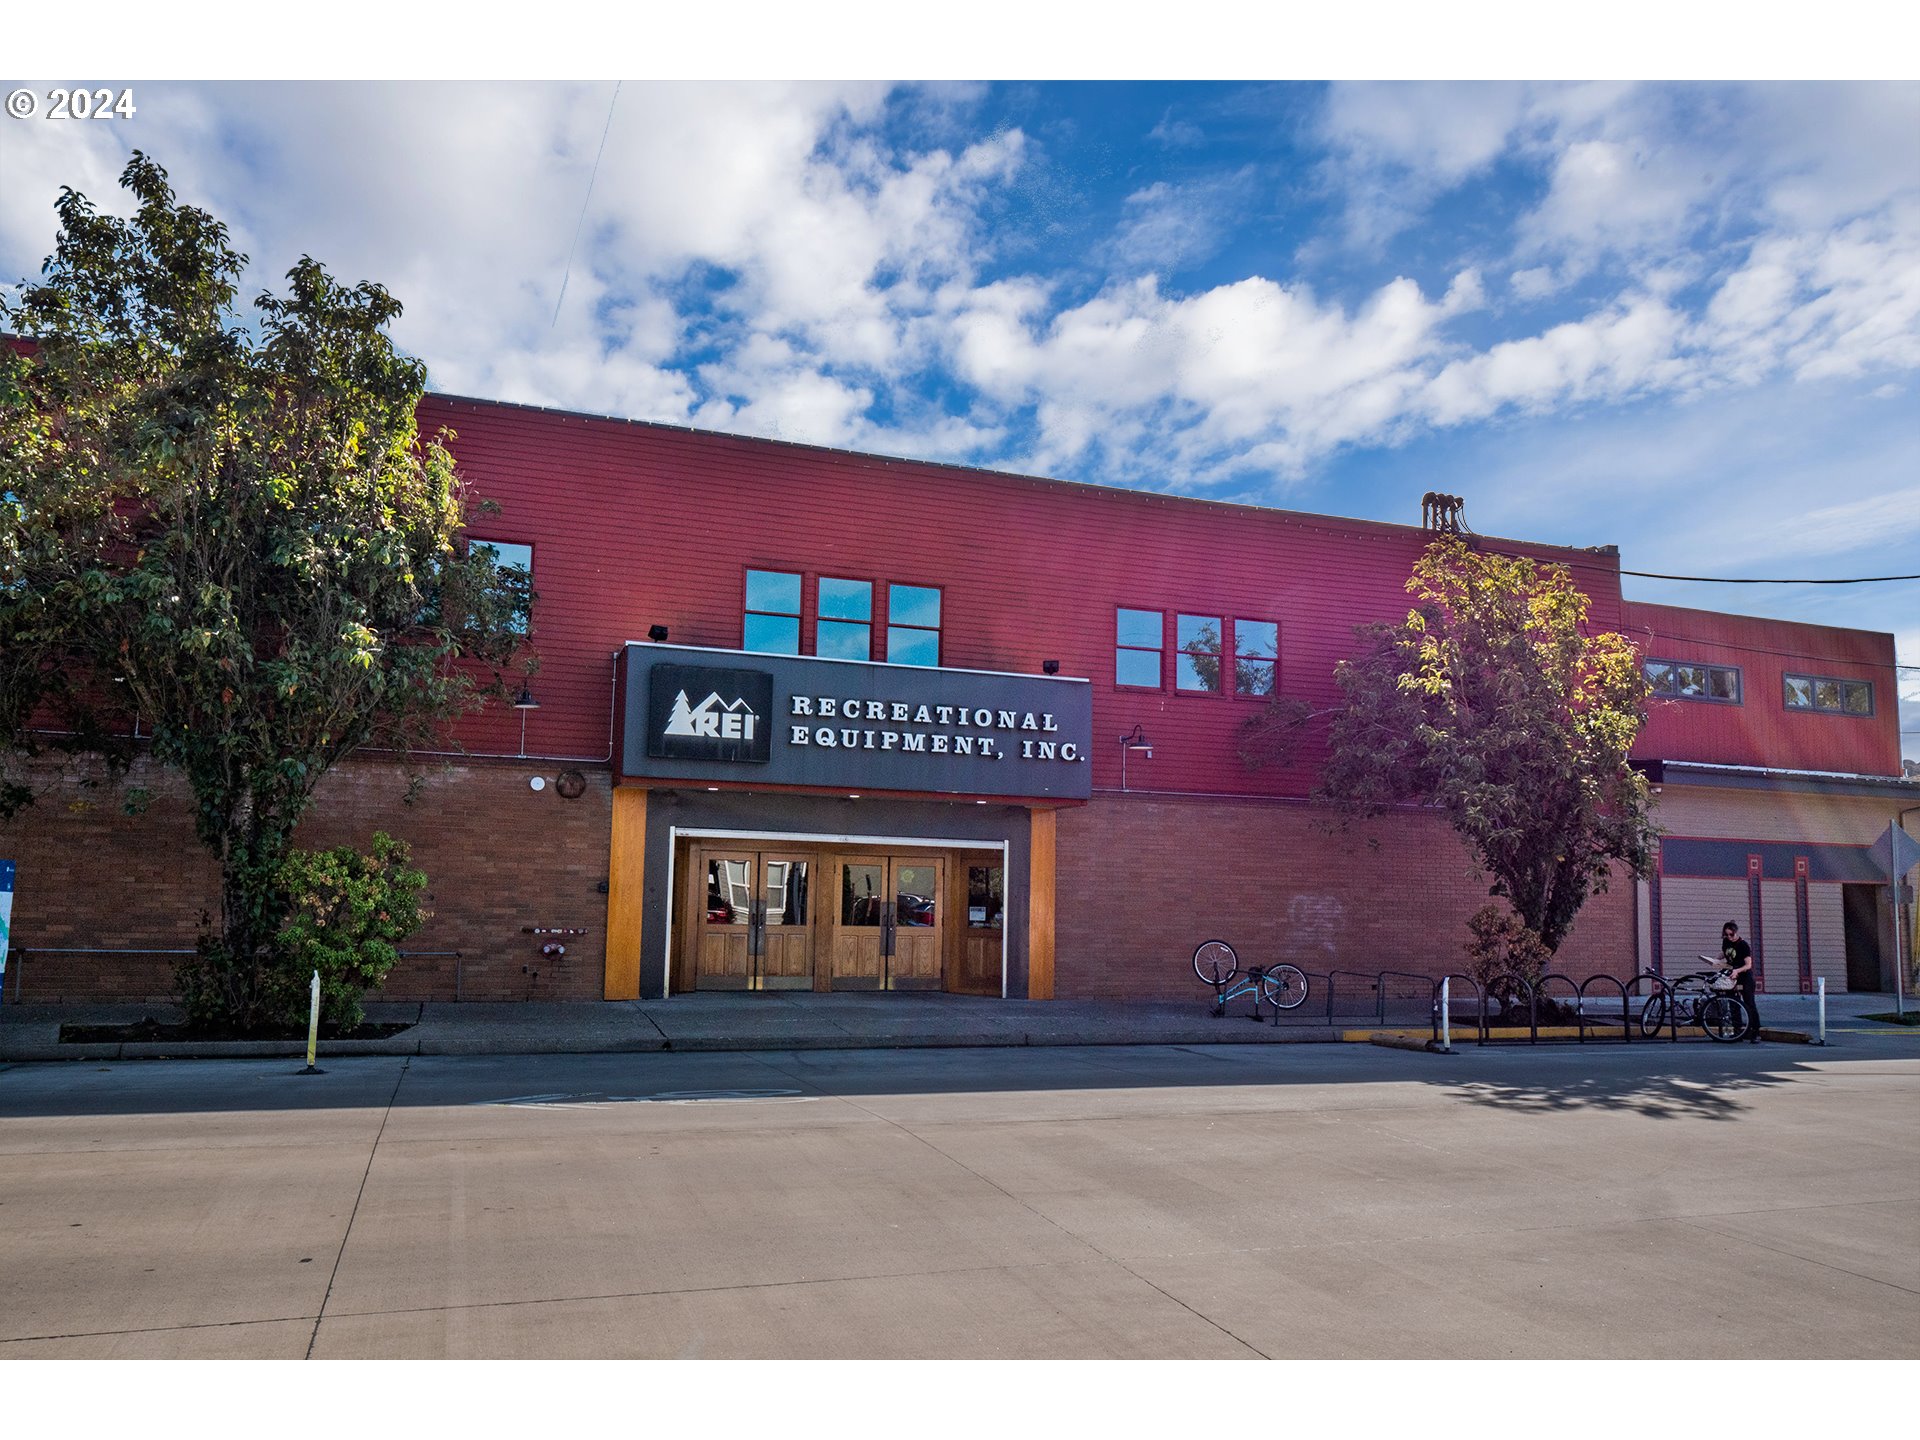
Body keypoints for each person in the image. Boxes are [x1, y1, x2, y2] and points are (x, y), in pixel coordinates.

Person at [1721, 921, 1761, 1042]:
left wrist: (1737, 970)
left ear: (1736, 933)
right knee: (1733, 1003)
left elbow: (1748, 965)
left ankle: (1755, 1032)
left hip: (1745, 977)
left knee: (1749, 1004)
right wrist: (1714, 960)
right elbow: (1725, 953)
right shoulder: (1726, 942)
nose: (1729, 937)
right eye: (1726, 935)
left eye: (1731, 935)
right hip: (1732, 977)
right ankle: (1738, 1031)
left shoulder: (1743, 945)